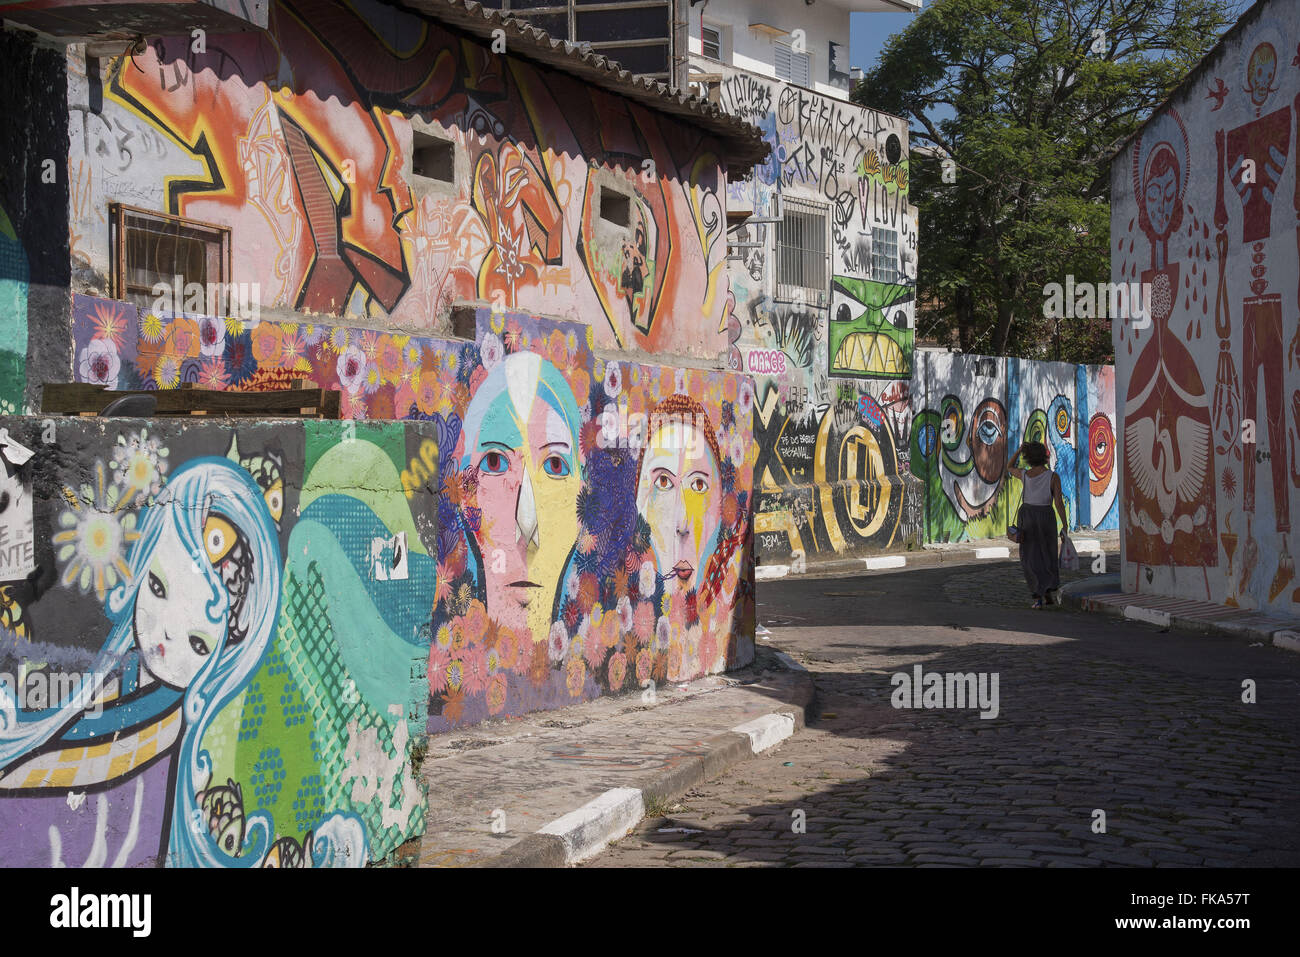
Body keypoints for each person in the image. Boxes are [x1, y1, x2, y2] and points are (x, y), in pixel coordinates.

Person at [1007, 441, 1069, 609]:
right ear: (1045, 456)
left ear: (1028, 458)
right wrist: (1065, 524)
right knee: (1047, 554)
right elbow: (1058, 503)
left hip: (1027, 517)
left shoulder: (1024, 475)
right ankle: (1048, 591)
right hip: (1046, 517)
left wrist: (1019, 449)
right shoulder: (1053, 477)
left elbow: (1009, 466)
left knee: (1030, 556)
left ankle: (1038, 597)